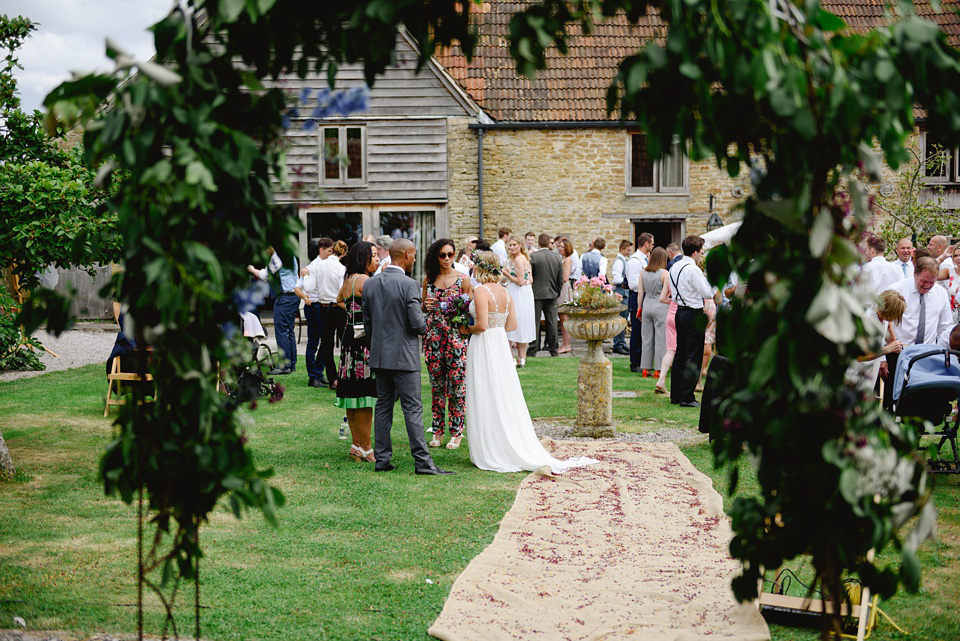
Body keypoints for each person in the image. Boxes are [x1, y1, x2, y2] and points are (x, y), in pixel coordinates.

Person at [459, 252, 598, 474]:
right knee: (503, 391)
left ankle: (489, 447)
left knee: (484, 389)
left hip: (484, 343)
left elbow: (482, 325)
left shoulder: (480, 291)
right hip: (500, 344)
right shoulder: (505, 292)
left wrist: (465, 329)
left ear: (480, 268)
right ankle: (503, 438)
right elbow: (511, 324)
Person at [362, 239, 454, 475]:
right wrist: (427, 315)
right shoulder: (409, 284)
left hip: (380, 356)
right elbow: (417, 324)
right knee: (412, 409)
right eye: (413, 255)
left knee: (383, 407)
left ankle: (382, 460)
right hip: (404, 357)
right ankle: (422, 462)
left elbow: (369, 324)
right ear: (406, 254)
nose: (415, 259)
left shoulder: (371, 284)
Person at [881, 256, 953, 409]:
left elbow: (945, 326)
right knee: (894, 400)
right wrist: (882, 358)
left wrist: (940, 352)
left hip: (926, 356)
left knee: (922, 400)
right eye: (924, 281)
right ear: (915, 273)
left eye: (931, 282)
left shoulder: (940, 293)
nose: (927, 286)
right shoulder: (896, 290)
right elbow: (883, 324)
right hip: (897, 353)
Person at [422, 239, 471, 449]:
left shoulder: (463, 280)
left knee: (457, 386)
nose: (447, 259)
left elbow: (469, 311)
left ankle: (457, 431)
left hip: (455, 338)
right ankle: (438, 430)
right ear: (436, 256)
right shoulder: (429, 280)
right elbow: (423, 308)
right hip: (433, 337)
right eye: (442, 255)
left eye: (450, 255)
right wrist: (426, 305)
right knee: (437, 387)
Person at [335, 241, 380, 462]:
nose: (377, 259)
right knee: (364, 396)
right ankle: (367, 448)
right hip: (363, 343)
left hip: (349, 340)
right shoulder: (364, 280)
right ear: (363, 258)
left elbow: (339, 301)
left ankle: (356, 445)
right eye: (373, 255)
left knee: (353, 394)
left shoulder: (349, 279)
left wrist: (355, 313)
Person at [668, 236, 714, 408]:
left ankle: (676, 394)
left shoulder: (675, 266)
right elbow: (707, 292)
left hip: (679, 311)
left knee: (680, 353)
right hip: (693, 313)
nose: (701, 254)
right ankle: (687, 397)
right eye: (701, 251)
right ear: (695, 252)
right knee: (693, 355)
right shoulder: (693, 269)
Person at [301, 237, 346, 389]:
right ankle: (342, 377)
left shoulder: (318, 266)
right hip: (337, 307)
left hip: (322, 307)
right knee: (344, 344)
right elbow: (342, 291)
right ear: (343, 254)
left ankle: (332, 378)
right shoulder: (341, 268)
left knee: (326, 345)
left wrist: (306, 276)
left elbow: (308, 288)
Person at [247, 246, 299, 375]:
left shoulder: (278, 256)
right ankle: (291, 363)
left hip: (285, 296)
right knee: (289, 330)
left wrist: (252, 269)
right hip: (293, 296)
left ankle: (284, 366)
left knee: (281, 331)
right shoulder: (289, 253)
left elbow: (264, 274)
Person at [845, 290, 905, 393]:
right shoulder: (868, 320)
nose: (895, 318)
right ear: (888, 311)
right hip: (855, 375)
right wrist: (887, 349)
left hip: (869, 373)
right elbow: (859, 356)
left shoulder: (884, 318)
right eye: (895, 315)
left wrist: (897, 345)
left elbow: (889, 328)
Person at [296, 238, 332, 388]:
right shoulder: (312, 266)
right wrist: (305, 297)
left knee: (325, 341)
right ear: (321, 250)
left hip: (324, 305)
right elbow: (297, 287)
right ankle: (313, 376)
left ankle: (319, 372)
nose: (331, 254)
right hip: (314, 306)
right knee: (313, 342)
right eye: (329, 251)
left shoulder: (328, 265)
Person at [529, 233, 564, 357]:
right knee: (552, 323)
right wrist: (557, 292)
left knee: (535, 322)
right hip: (552, 294)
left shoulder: (533, 257)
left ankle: (533, 349)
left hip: (536, 294)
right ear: (549, 243)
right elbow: (560, 279)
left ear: (538, 243)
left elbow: (529, 276)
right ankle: (554, 350)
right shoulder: (557, 257)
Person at [504, 237, 535, 366]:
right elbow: (531, 279)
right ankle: (521, 358)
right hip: (527, 293)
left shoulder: (518, 260)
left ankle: (512, 357)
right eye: (510, 245)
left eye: (514, 245)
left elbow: (520, 282)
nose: (512, 247)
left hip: (517, 292)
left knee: (513, 321)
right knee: (522, 322)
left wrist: (506, 274)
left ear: (520, 245)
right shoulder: (525, 258)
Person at [639, 247, 669, 378]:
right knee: (661, 338)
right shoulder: (664, 273)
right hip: (660, 306)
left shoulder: (642, 272)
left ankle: (645, 368)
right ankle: (658, 369)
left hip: (647, 304)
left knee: (646, 338)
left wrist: (639, 308)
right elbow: (668, 292)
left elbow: (640, 292)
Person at [625, 232, 654, 372]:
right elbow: (633, 284)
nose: (653, 246)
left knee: (645, 331)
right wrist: (649, 284)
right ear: (646, 244)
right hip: (637, 297)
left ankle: (644, 361)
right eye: (652, 243)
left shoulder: (644, 259)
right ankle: (635, 363)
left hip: (645, 297)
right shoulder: (634, 261)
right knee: (637, 330)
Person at [611, 240, 633, 356]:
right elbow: (616, 279)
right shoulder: (619, 262)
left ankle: (622, 342)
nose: (629, 252)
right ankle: (617, 344)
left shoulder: (624, 260)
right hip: (621, 291)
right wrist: (627, 280)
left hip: (625, 291)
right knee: (620, 318)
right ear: (622, 249)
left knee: (623, 319)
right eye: (628, 250)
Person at [556, 238, 576, 354]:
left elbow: (565, 277)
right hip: (561, 288)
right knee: (561, 317)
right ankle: (564, 343)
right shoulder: (562, 259)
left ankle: (567, 344)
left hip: (563, 288)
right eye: (559, 246)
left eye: (562, 247)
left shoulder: (567, 260)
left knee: (564, 318)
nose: (560, 248)